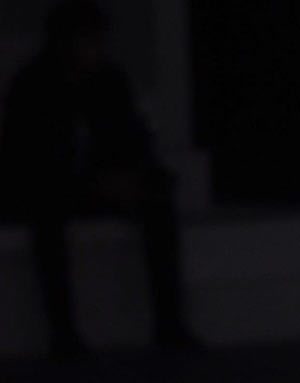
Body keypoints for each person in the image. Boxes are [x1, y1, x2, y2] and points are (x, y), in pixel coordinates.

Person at [0, 0, 197, 357]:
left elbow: (131, 136)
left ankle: (169, 323)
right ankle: (63, 333)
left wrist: (129, 176)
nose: (96, 49)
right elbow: (28, 157)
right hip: (49, 187)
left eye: (98, 40)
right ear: (64, 42)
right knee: (47, 217)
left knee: (157, 203)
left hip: (99, 184)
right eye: (88, 40)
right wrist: (89, 180)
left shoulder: (109, 81)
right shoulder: (33, 85)